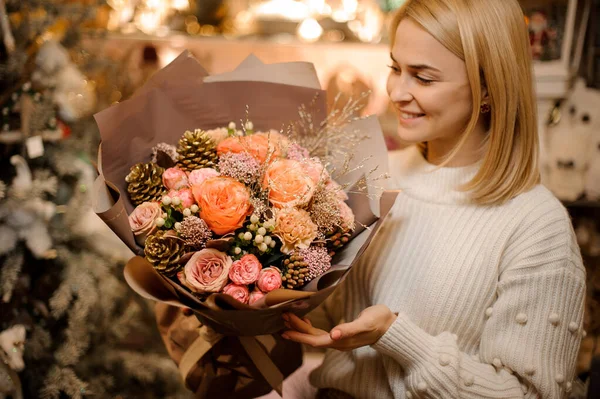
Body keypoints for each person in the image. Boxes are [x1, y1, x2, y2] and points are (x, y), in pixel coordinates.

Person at [281, 0, 586, 398]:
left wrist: (396, 336)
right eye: (395, 68)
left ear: (489, 88)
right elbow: (320, 313)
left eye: (423, 78)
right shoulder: (370, 172)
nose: (397, 92)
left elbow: (530, 394)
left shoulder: (536, 225)